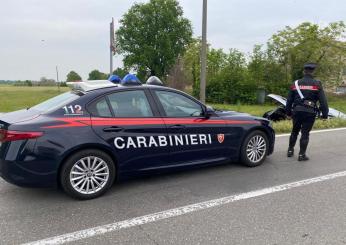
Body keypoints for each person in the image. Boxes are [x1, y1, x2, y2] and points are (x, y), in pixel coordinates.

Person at [285, 63, 329, 161]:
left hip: (297, 111)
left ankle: (290, 151)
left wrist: (288, 113)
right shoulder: (317, 84)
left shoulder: (295, 83)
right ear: (313, 72)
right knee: (305, 134)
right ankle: (301, 155)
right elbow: (323, 101)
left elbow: (289, 100)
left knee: (294, 131)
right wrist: (325, 115)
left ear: (304, 71)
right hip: (310, 113)